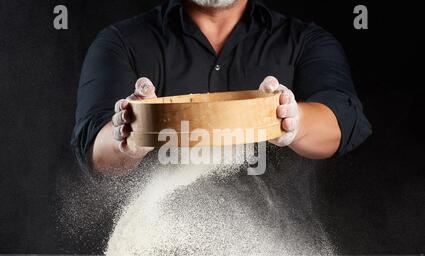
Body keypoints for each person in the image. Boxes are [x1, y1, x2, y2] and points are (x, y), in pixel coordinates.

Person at [71, 0, 371, 176]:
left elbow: (342, 120)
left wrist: (293, 122)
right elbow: (95, 151)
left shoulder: (307, 41)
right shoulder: (120, 42)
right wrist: (126, 140)